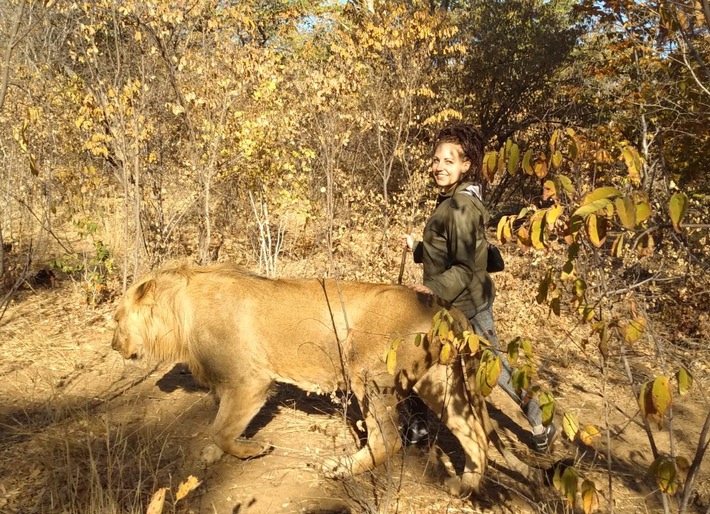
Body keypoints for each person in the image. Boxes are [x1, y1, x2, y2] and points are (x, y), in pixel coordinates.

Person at [402, 123, 556, 453]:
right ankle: (418, 422)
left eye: (448, 161)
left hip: (468, 304)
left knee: (495, 366)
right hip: (456, 297)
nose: (439, 167)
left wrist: (429, 288)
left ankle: (541, 418)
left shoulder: (459, 207)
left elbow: (462, 266)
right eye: (436, 160)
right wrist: (418, 248)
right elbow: (453, 250)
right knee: (424, 356)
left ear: (466, 165)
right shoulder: (457, 199)